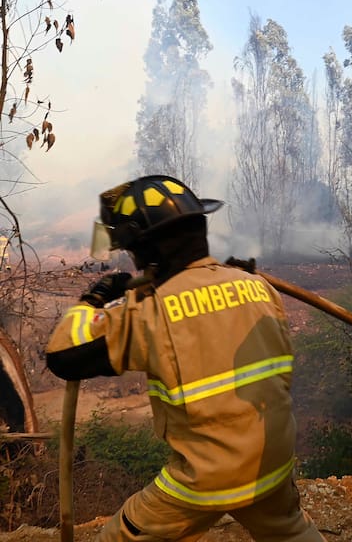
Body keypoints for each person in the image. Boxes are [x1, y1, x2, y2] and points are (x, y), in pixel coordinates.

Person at [46, 175, 325, 542]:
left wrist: (92, 300)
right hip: (270, 464)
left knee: (118, 535)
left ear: (144, 249)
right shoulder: (258, 286)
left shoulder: (149, 313)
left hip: (204, 477)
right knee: (290, 531)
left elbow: (64, 356)